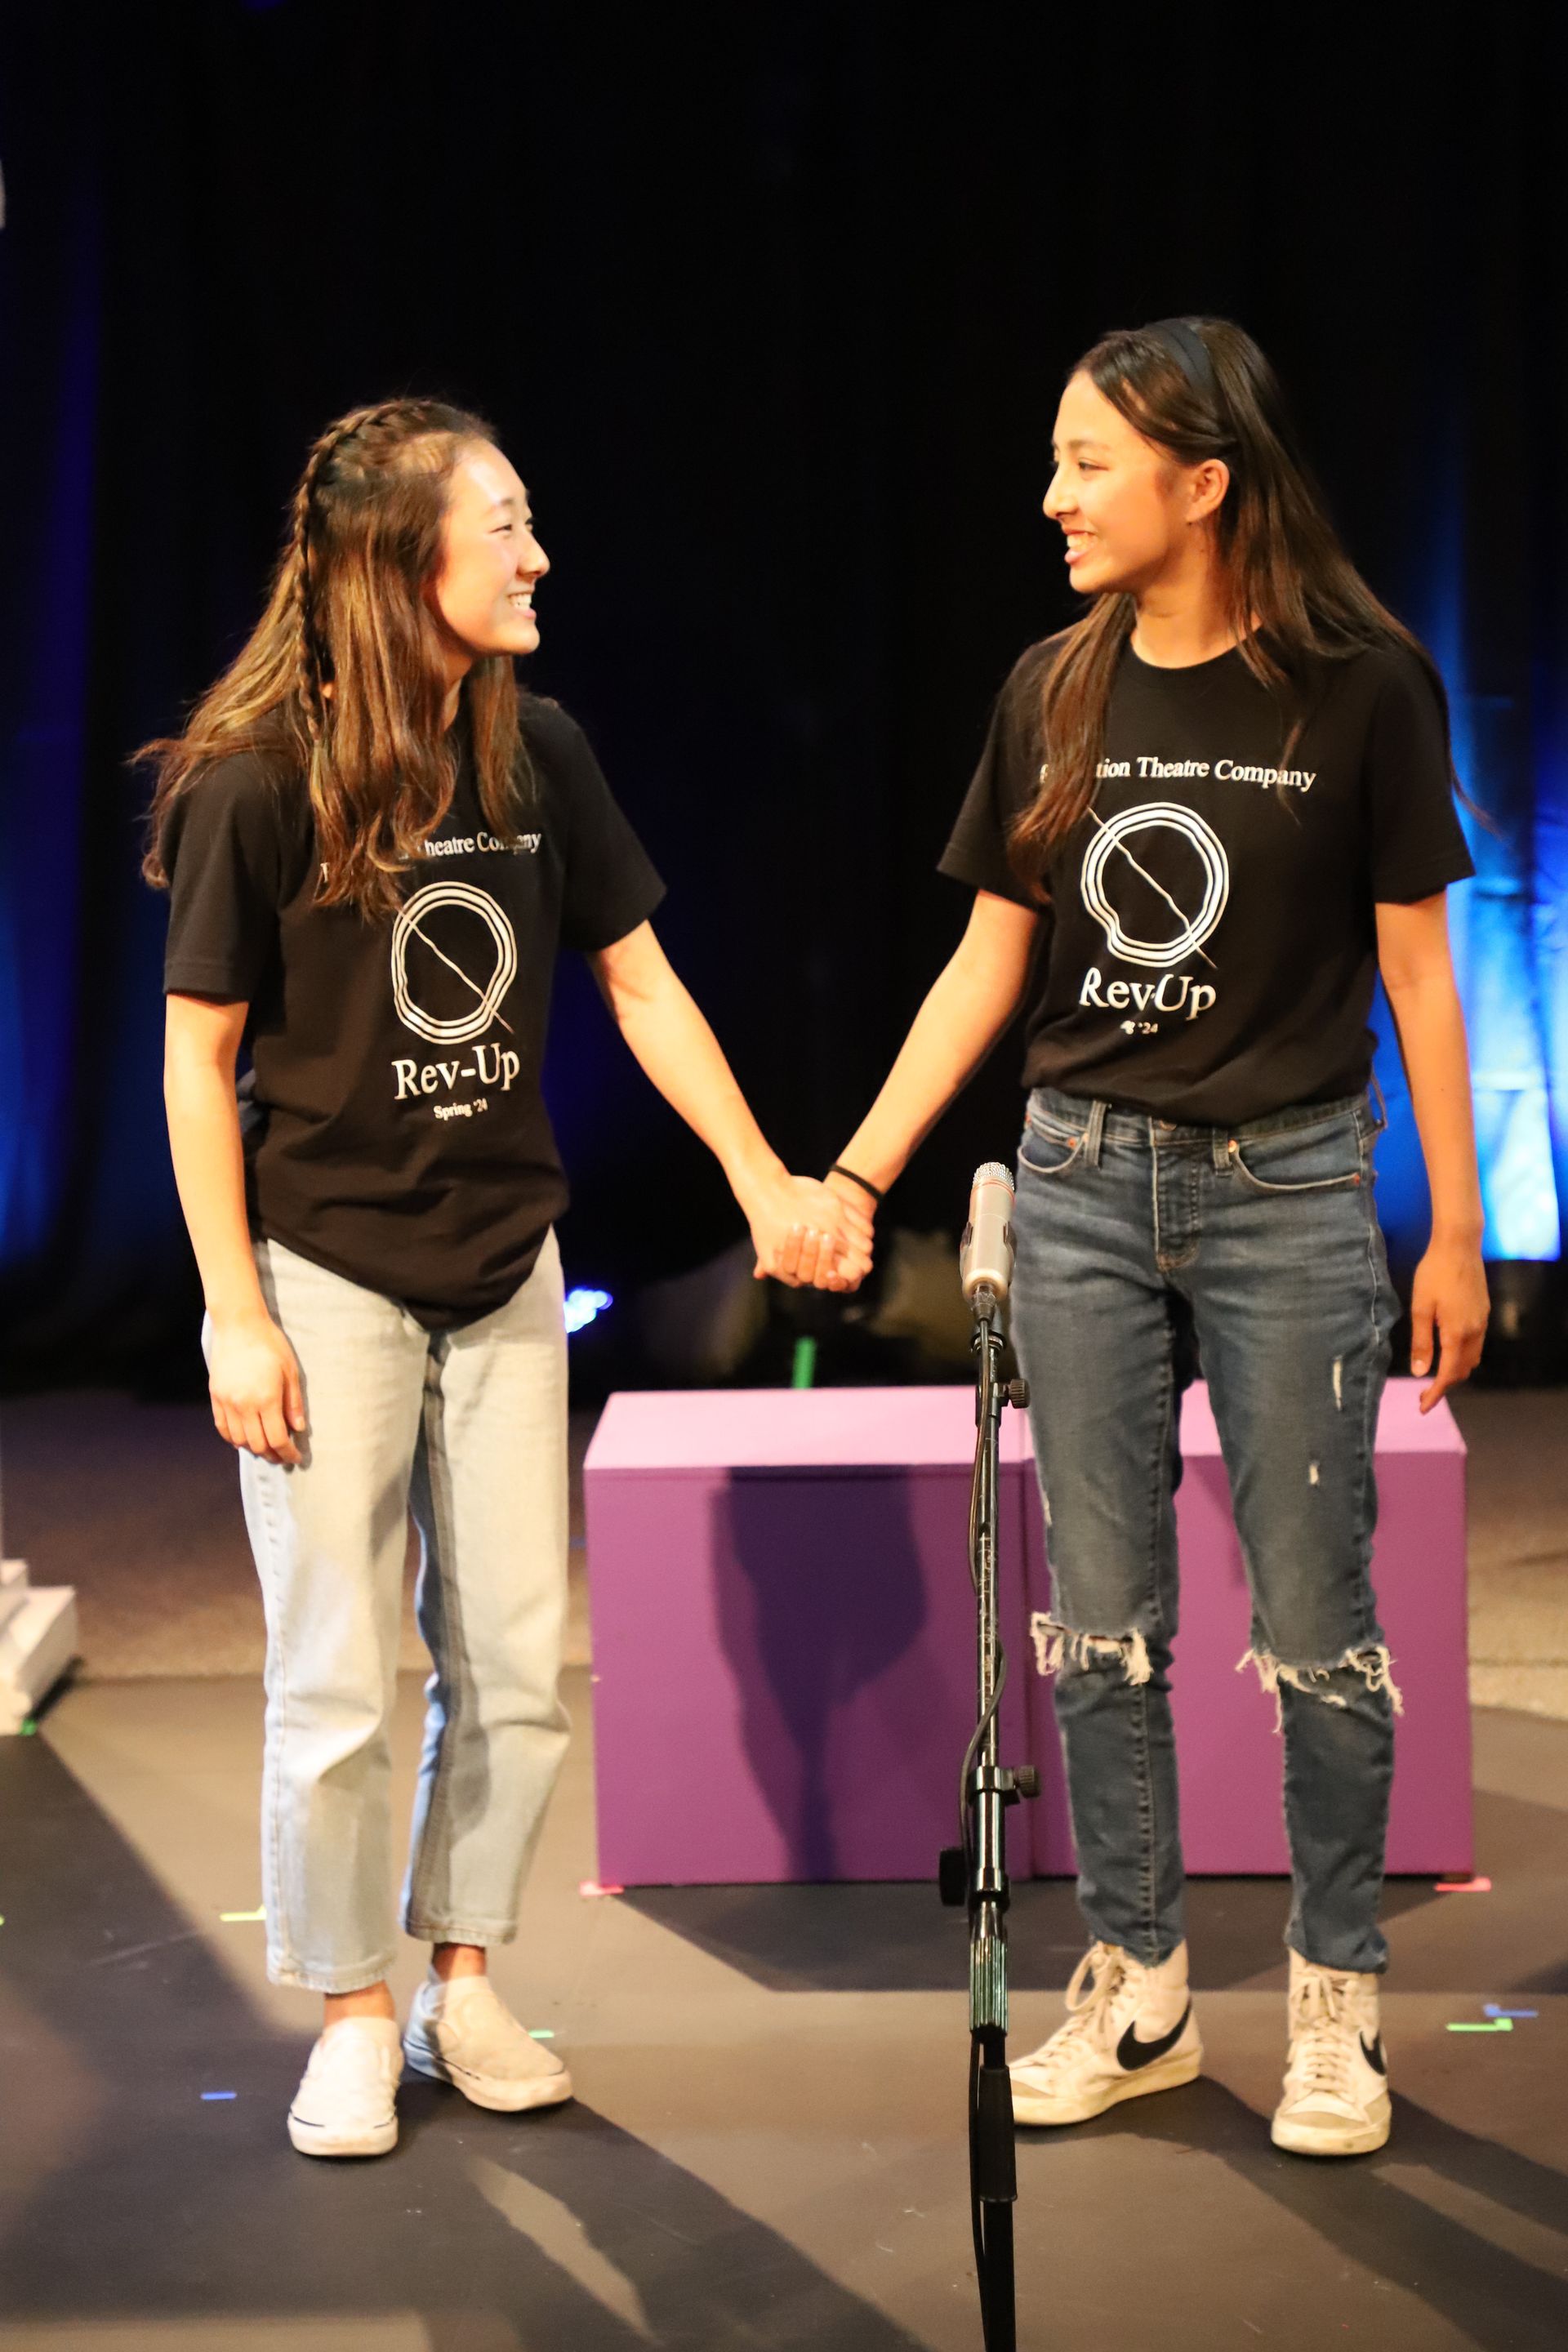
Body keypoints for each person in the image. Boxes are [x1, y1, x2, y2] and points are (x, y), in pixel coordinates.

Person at [143, 398, 866, 2159]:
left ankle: (464, 1978)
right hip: (328, 1277)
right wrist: (235, 1305)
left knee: (517, 1662)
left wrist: (762, 1172)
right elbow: (195, 1057)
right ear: (403, 565)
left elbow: (641, 984)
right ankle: (348, 2008)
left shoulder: (537, 754)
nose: (540, 556)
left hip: (503, 1266)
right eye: (507, 525)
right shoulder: (256, 780)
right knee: (335, 1673)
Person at [815, 318, 1488, 2158]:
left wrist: (1457, 1232)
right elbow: (988, 963)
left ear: (1206, 481)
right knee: (1099, 1627)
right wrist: (860, 1175)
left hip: (1290, 1194)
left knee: (1319, 1625)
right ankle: (1141, 1988)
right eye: (1055, 461)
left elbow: (1422, 975)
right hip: (1085, 1185)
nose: (1052, 496)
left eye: (1087, 463)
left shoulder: (1360, 684)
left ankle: (1339, 1999)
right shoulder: (1053, 684)